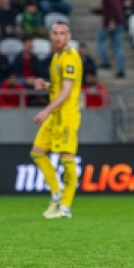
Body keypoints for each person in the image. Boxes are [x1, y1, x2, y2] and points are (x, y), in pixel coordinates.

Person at [30, 22, 83, 220]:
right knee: (37, 153)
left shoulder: (70, 58)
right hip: (56, 115)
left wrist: (45, 111)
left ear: (68, 36)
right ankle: (56, 193)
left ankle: (66, 207)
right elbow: (61, 85)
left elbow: (67, 91)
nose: (59, 37)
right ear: (50, 36)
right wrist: (46, 85)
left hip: (66, 116)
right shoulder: (57, 57)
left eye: (63, 33)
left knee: (67, 160)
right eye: (55, 33)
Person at [92, 0, 126, 78]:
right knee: (117, 46)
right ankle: (120, 69)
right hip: (119, 22)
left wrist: (112, 20)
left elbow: (113, 8)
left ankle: (106, 62)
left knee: (100, 41)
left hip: (111, 23)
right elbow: (108, 9)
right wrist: (97, 10)